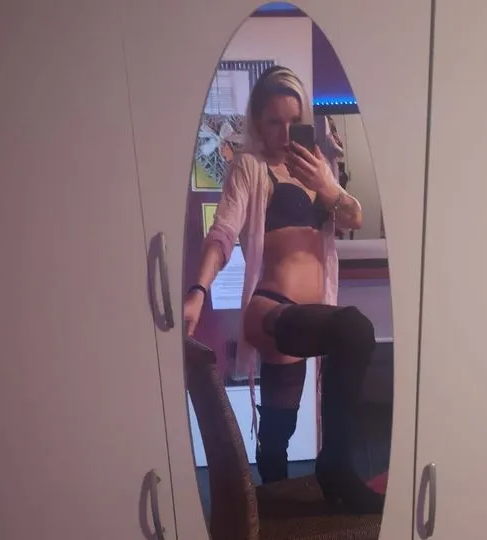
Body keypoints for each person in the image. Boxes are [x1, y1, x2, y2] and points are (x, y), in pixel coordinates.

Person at [183, 65, 384, 514]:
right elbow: (223, 233)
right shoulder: (251, 168)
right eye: (274, 121)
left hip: (314, 312)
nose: (286, 132)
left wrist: (326, 185)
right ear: (257, 122)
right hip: (271, 307)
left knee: (279, 426)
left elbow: (353, 217)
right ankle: (329, 470)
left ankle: (278, 499)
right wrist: (197, 290)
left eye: (294, 121)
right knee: (353, 331)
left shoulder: (319, 169)